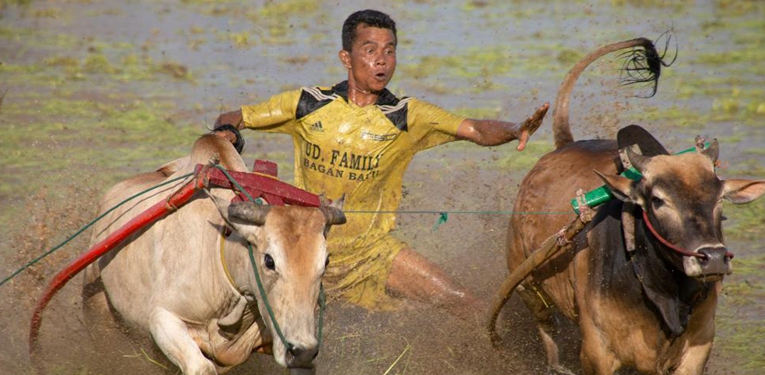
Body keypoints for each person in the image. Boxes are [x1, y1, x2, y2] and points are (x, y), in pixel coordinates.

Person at [213, 9, 549, 326]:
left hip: (373, 254)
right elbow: (237, 116)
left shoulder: (406, 115)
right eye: (370, 49)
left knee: (462, 300)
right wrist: (226, 132)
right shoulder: (307, 103)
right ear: (346, 58)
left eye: (390, 51)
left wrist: (514, 129)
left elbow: (474, 129)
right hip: (306, 249)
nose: (381, 60)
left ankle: (525, 360)